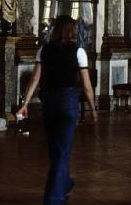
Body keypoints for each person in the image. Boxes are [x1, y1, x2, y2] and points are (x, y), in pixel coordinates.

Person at [18, 15, 97, 205]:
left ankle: (66, 183)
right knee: (62, 151)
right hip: (68, 102)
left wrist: (25, 103)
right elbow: (86, 85)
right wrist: (92, 108)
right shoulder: (78, 52)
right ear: (72, 31)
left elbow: (35, 79)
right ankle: (54, 197)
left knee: (56, 149)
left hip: (49, 102)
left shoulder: (43, 50)